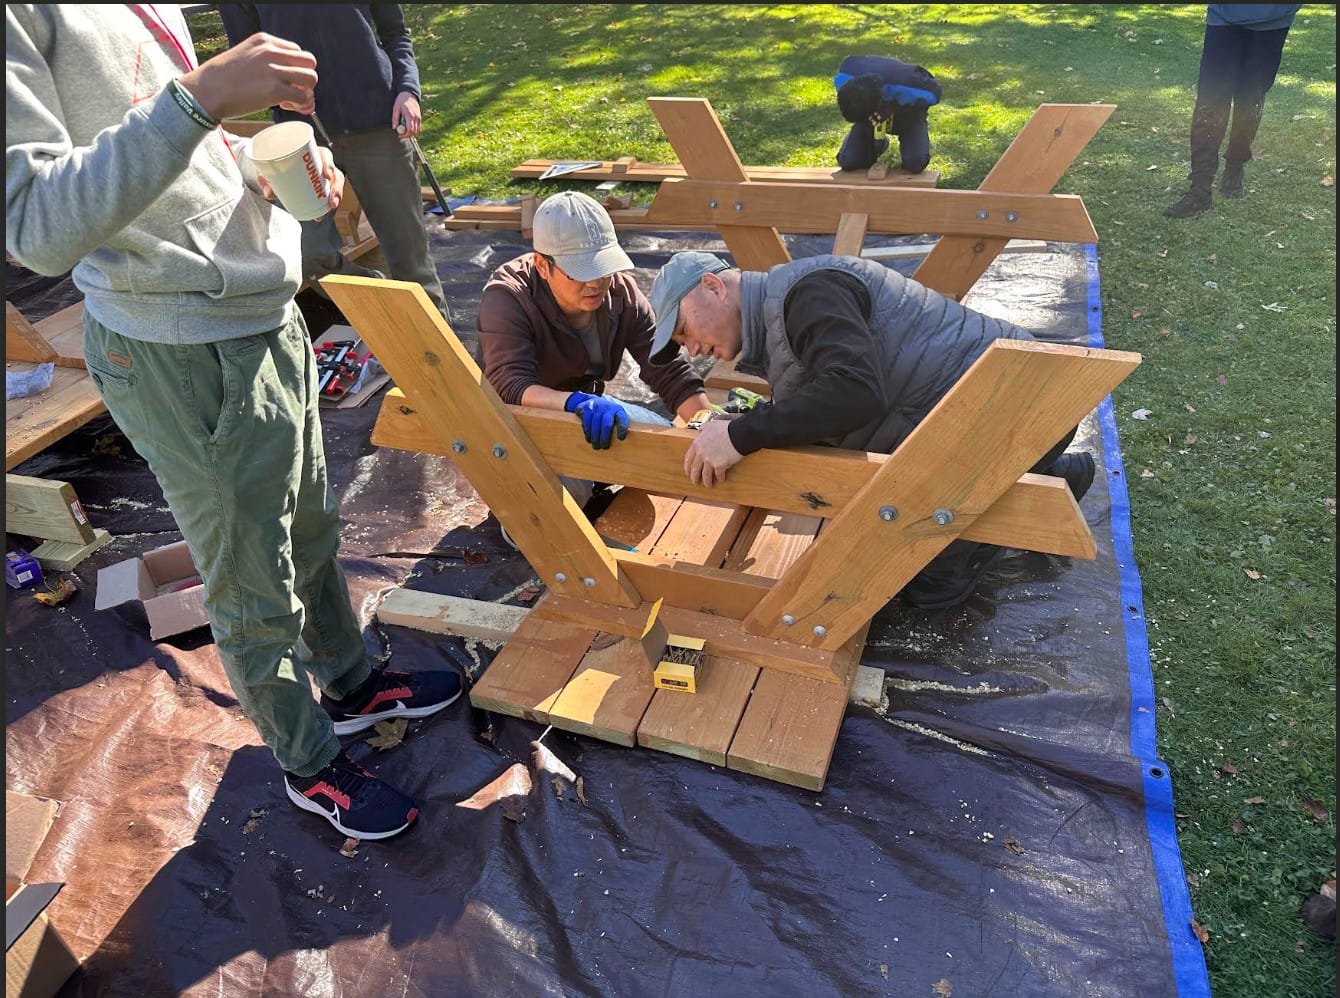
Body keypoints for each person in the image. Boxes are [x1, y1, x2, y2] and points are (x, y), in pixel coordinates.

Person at [6, 5, 461, 841]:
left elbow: (159, 147)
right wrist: (200, 96)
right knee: (252, 580)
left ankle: (350, 684)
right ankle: (309, 762)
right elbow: (36, 228)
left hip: (261, 311)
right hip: (181, 348)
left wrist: (254, 162)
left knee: (312, 525)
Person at [647, 251, 1097, 610]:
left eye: (685, 330)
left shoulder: (808, 293)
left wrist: (742, 437)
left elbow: (856, 392)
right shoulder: (784, 312)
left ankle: (981, 539)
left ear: (713, 286)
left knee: (926, 586)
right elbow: (826, 391)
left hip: (1020, 407)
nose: (694, 349)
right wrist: (747, 424)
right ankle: (1054, 475)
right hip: (1005, 409)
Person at [477, 191, 714, 513]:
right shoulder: (508, 297)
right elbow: (509, 385)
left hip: (587, 411)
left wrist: (708, 424)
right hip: (520, 423)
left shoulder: (620, 292)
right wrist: (574, 402)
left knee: (665, 447)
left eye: (603, 268)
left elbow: (667, 367)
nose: (596, 283)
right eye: (580, 272)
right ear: (542, 265)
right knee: (559, 504)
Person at [218, 4, 450, 319]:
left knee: (411, 261)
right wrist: (277, 95)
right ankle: (385, 298)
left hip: (378, 128)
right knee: (309, 256)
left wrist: (408, 90)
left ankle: (440, 358)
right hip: (299, 143)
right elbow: (247, 61)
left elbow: (395, 33)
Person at [1164, 4, 1303, 219]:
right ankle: (1200, 190)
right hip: (1224, 14)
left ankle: (1235, 165)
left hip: (1274, 18)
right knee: (1210, 101)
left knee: (1250, 99)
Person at [833, 54, 942, 174]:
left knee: (915, 163)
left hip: (908, 115)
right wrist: (866, 119)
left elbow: (935, 92)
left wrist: (894, 107)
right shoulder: (845, 76)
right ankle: (878, 143)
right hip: (869, 106)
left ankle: (904, 140)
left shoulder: (912, 85)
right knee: (849, 161)